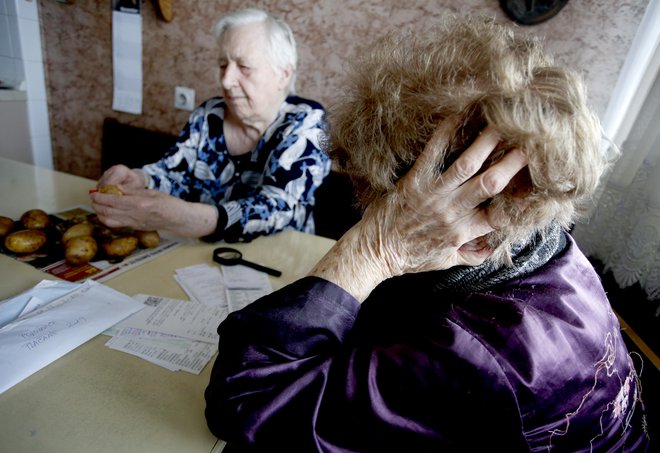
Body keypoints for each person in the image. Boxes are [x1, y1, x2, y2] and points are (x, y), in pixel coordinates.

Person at [204, 15, 651, 452]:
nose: (370, 213)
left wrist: (378, 248)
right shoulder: (548, 246)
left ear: (465, 221)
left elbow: (244, 400)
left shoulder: (481, 357)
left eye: (385, 208)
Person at [91, 8, 330, 242]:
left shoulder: (307, 123)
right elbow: (175, 173)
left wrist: (187, 219)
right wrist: (140, 178)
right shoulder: (210, 114)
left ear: (283, 75)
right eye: (223, 65)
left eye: (244, 67)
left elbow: (278, 209)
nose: (226, 80)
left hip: (280, 260)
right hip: (201, 254)